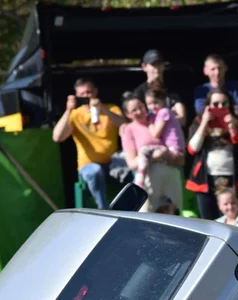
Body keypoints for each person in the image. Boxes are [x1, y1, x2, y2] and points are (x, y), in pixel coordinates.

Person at [51, 77, 124, 209]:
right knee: (94, 172)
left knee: (136, 165)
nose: (86, 96)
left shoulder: (111, 108)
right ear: (77, 96)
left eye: (89, 93)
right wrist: (68, 110)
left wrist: (103, 110)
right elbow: (57, 137)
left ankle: (141, 209)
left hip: (113, 163)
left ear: (96, 92)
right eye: (82, 94)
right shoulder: (75, 115)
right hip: (89, 165)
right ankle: (105, 211)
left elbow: (125, 127)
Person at [186, 89, 238, 221]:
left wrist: (233, 128)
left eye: (224, 103)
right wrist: (204, 123)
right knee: (208, 221)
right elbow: (192, 149)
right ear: (208, 106)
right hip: (206, 179)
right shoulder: (198, 121)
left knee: (232, 218)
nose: (220, 107)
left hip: (232, 178)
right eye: (215, 104)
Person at [119, 94, 184, 212]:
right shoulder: (128, 130)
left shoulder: (159, 119)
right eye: (134, 110)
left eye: (141, 106)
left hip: (171, 174)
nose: (139, 111)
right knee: (148, 217)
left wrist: (168, 155)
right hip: (149, 180)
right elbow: (132, 163)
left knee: (175, 215)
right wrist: (155, 156)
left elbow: (178, 151)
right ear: (128, 114)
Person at [131, 49, 187, 122]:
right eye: (153, 64)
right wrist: (169, 117)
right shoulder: (138, 92)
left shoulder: (174, 89)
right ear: (144, 67)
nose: (157, 67)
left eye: (159, 63)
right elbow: (136, 121)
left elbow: (182, 120)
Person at [192, 54, 238, 119]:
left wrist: (214, 111)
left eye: (220, 68)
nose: (217, 72)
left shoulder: (237, 87)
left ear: (225, 68)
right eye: (213, 69)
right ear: (205, 71)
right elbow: (200, 110)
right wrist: (231, 110)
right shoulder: (201, 90)